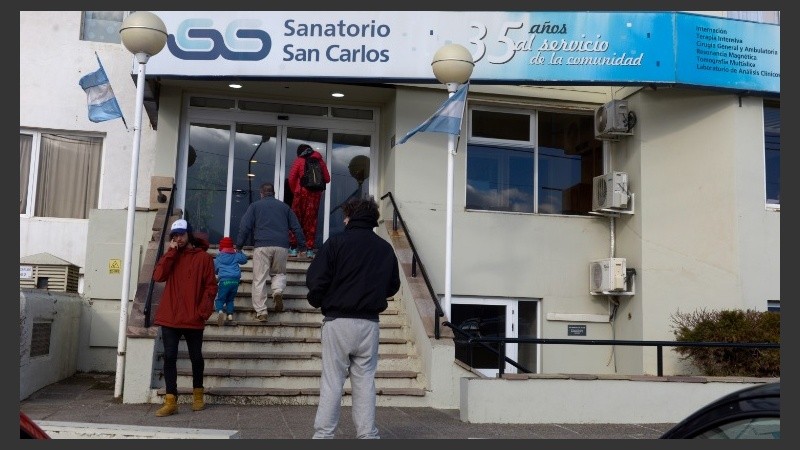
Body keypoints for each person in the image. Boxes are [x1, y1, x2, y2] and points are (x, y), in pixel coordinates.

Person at [305, 196, 401, 439]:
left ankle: (324, 436)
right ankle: (367, 435)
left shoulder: (337, 243)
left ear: (349, 216)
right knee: (365, 381)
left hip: (338, 321)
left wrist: (318, 300)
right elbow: (392, 286)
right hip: (369, 323)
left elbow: (316, 279)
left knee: (332, 382)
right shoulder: (384, 248)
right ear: (372, 218)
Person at [152, 218, 217, 417]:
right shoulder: (172, 255)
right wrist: (171, 252)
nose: (177, 238)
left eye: (180, 234)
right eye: (174, 236)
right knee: (170, 357)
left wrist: (203, 311)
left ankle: (198, 394)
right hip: (170, 315)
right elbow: (158, 276)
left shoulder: (204, 258)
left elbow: (211, 287)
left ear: (189, 234)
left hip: (193, 317)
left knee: (196, 357)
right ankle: (171, 400)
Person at [237, 182, 306, 321]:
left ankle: (262, 311)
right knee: (279, 273)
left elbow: (245, 226)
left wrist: (239, 246)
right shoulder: (284, 207)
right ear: (273, 193)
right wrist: (302, 247)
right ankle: (277, 291)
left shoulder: (255, 206)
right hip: (281, 246)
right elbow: (297, 227)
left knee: (259, 278)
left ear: (261, 193)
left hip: (262, 246)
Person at [288, 143, 330, 258]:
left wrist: (295, 191)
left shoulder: (299, 160)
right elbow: (327, 179)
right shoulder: (320, 160)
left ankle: (293, 248)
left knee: (296, 220)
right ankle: (309, 249)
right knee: (311, 221)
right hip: (315, 196)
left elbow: (291, 179)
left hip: (301, 193)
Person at [213, 236, 248, 326]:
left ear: (221, 247)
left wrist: (218, 272)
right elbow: (244, 260)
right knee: (230, 299)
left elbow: (215, 269)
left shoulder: (219, 257)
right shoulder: (236, 255)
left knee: (220, 298)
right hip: (235, 281)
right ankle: (229, 314)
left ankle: (220, 311)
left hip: (224, 281)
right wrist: (239, 251)